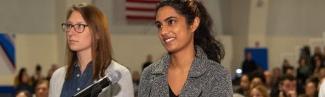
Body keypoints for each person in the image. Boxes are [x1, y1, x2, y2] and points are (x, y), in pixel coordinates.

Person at [138, 0, 232, 97]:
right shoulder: (148, 74)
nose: (163, 31)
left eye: (171, 22)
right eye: (159, 25)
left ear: (193, 24)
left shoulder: (218, 75)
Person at [49, 3, 134, 97]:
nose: (70, 32)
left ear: (97, 33)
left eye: (80, 26)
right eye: (69, 25)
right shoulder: (57, 77)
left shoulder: (118, 74)